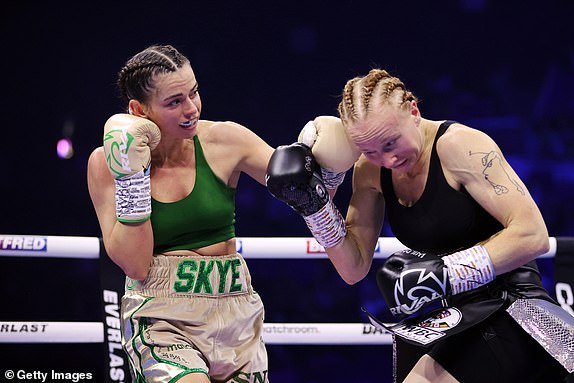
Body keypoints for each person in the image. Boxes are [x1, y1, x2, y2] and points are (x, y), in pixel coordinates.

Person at [266, 68, 572, 382]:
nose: (386, 159)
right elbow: (352, 267)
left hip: (509, 307)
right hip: (447, 318)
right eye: (369, 150)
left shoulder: (460, 146)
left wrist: (445, 272)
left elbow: (533, 235)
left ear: (414, 111)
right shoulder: (370, 170)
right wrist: (316, 208)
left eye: (390, 143)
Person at [87, 44, 275, 383]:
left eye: (194, 93)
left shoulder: (226, 140)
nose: (192, 109)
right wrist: (132, 176)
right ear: (138, 110)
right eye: (175, 102)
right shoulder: (105, 163)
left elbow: (303, 191)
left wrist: (328, 161)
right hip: (161, 313)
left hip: (235, 306)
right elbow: (135, 263)